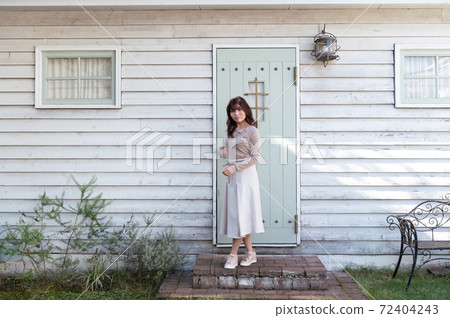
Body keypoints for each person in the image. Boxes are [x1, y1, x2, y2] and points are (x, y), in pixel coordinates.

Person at [219, 96, 265, 269]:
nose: (236, 114)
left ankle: (233, 255)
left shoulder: (252, 131)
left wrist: (235, 168)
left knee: (240, 215)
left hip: (246, 177)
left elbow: (255, 157)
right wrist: (224, 154)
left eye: (239, 110)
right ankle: (250, 253)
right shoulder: (232, 131)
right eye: (232, 111)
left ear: (245, 110)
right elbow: (234, 154)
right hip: (233, 177)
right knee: (240, 214)